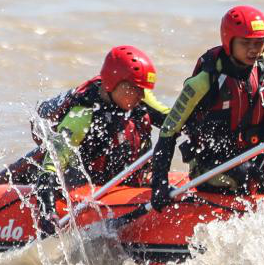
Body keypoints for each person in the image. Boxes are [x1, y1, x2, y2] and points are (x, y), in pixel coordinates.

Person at [149, 5, 264, 212]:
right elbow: (168, 133)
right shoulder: (204, 81)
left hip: (260, 162)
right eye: (245, 43)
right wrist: (159, 185)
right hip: (211, 168)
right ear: (229, 41)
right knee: (254, 173)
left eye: (259, 42)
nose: (254, 49)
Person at [31, 45, 167, 233]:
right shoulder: (82, 116)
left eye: (143, 90)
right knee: (30, 164)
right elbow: (51, 165)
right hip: (75, 169)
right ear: (112, 83)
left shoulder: (139, 99)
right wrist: (48, 211)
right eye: (134, 89)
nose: (141, 96)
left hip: (117, 180)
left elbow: (175, 120)